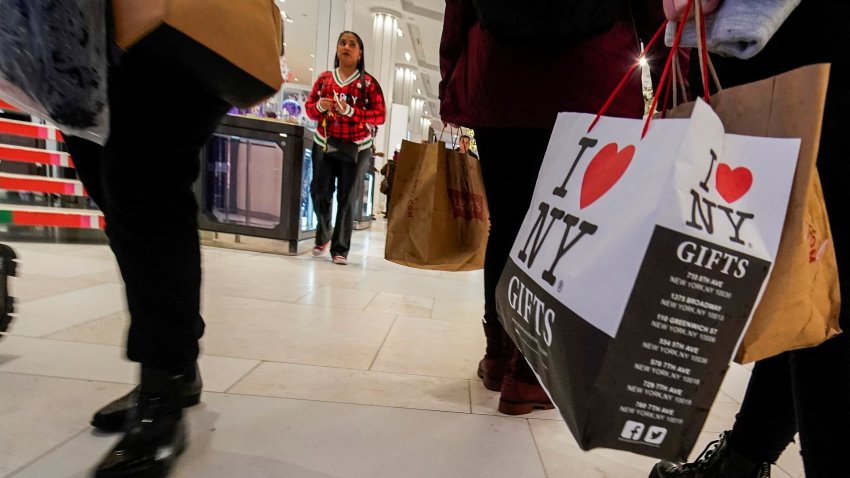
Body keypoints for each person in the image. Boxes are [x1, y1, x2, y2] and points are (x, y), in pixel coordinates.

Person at [649, 1, 850, 477]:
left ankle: (742, 461)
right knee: (805, 275)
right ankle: (742, 460)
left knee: (818, 273)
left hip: (797, 39)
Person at [440, 0, 667, 414]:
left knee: (507, 222)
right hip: (591, 78)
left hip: (499, 77)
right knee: (567, 226)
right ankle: (528, 372)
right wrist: (671, 75)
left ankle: (497, 355)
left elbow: (459, 9)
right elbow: (653, 9)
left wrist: (451, 81)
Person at [305, 31, 386, 266]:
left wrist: (350, 111)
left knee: (347, 197)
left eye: (352, 44)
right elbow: (309, 109)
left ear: (360, 54)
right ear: (337, 49)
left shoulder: (368, 83)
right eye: (343, 43)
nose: (346, 47)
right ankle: (324, 233)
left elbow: (380, 115)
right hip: (325, 141)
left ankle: (340, 248)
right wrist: (320, 105)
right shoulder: (324, 79)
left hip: (357, 147)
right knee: (319, 191)